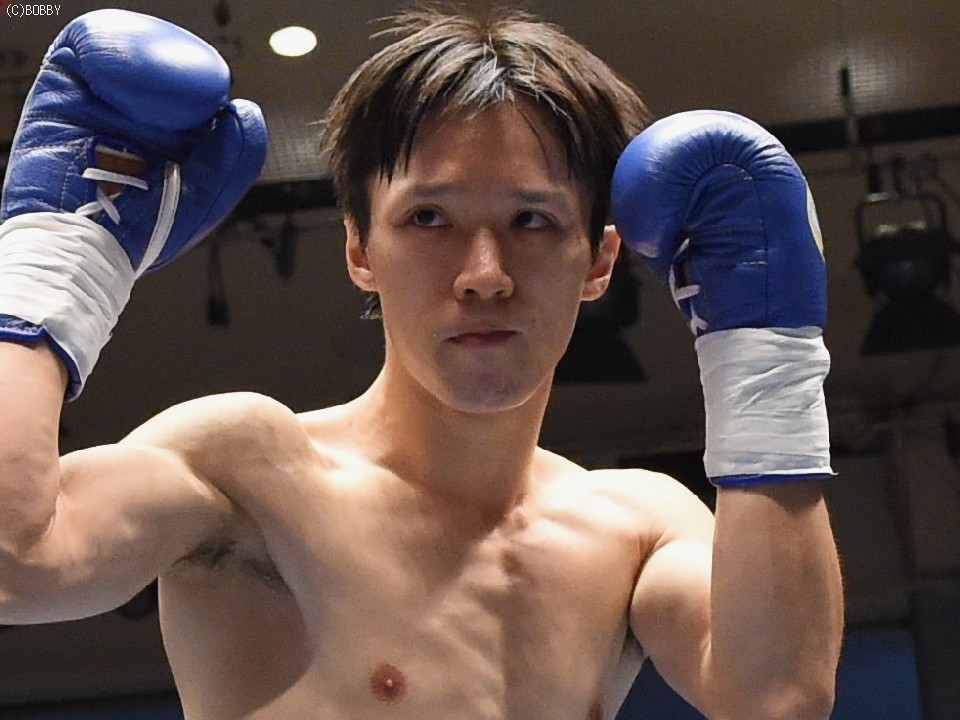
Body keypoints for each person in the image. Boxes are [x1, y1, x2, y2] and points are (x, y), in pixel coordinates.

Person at [0, 6, 843, 720]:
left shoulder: (640, 527)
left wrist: (763, 358)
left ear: (599, 260)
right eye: (430, 218)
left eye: (533, 220)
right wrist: (59, 260)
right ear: (360, 250)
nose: (485, 275)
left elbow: (777, 700)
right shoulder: (247, 473)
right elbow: (15, 565)